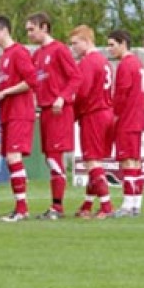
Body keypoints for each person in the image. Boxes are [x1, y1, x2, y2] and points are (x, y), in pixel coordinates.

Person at [25, 12, 82, 220]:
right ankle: (55, 206)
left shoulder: (59, 50)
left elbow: (76, 77)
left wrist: (62, 98)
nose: (29, 34)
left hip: (59, 111)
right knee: (50, 157)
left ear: (44, 27)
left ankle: (57, 207)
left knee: (55, 157)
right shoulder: (37, 54)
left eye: (32, 29)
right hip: (45, 111)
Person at [0, 15, 38, 222]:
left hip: (20, 112)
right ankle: (19, 207)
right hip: (8, 112)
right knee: (10, 159)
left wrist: (6, 92)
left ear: (4, 30)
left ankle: (22, 208)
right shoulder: (5, 55)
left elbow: (32, 80)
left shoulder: (18, 52)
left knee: (13, 157)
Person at [69, 25, 115, 219]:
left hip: (93, 114)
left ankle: (106, 206)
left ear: (87, 41)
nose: (73, 48)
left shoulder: (88, 62)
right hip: (107, 112)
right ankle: (87, 204)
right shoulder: (105, 62)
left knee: (92, 161)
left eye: (75, 43)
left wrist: (71, 112)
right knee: (95, 161)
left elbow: (82, 92)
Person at [107, 29, 144, 217]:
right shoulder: (138, 63)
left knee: (128, 161)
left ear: (123, 43)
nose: (109, 49)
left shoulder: (125, 65)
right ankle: (136, 203)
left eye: (112, 44)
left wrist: (115, 114)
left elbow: (121, 94)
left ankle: (128, 204)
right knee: (136, 161)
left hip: (127, 119)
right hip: (138, 118)